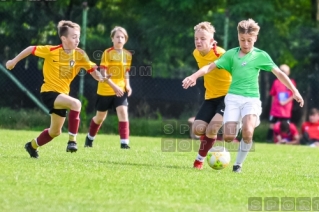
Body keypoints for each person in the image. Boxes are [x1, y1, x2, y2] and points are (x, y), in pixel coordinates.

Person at [182, 18, 304, 173]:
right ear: (238, 37)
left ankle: (237, 165)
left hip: (247, 99)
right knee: (224, 136)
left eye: (249, 41)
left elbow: (279, 73)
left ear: (255, 39)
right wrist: (193, 77)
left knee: (245, 132)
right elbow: (208, 68)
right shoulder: (231, 54)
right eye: (242, 40)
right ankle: (237, 123)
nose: (245, 44)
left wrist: (294, 90)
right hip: (230, 99)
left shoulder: (259, 55)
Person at [5, 20, 105, 158]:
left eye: (78, 36)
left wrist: (100, 77)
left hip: (62, 96)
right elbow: (30, 49)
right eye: (74, 36)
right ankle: (72, 142)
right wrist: (13, 61)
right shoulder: (51, 51)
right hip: (49, 93)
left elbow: (92, 70)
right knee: (76, 104)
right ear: (64, 38)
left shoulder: (80, 55)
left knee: (55, 131)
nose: (78, 40)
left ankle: (32, 146)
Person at [183, 22, 231, 170]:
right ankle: (209, 144)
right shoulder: (196, 53)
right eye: (196, 38)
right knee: (197, 129)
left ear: (212, 41)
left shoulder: (221, 54)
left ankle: (199, 160)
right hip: (211, 97)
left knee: (212, 128)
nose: (198, 41)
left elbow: (207, 68)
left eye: (203, 38)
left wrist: (194, 76)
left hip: (228, 96)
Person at [84, 26, 132, 149]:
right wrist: (114, 87)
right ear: (112, 39)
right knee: (100, 118)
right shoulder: (107, 53)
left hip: (120, 90)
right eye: (117, 37)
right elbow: (103, 74)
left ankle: (124, 144)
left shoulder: (128, 55)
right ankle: (89, 138)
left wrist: (128, 85)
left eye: (122, 37)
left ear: (125, 40)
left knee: (123, 112)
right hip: (105, 90)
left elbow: (126, 72)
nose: (120, 39)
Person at [266, 64, 296, 142]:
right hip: (276, 109)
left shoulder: (291, 82)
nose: (282, 72)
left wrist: (285, 102)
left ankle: (287, 140)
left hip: (286, 110)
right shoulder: (276, 82)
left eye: (284, 71)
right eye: (281, 70)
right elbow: (273, 95)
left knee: (286, 126)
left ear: (288, 72)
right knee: (272, 126)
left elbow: (293, 95)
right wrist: (272, 108)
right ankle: (269, 141)